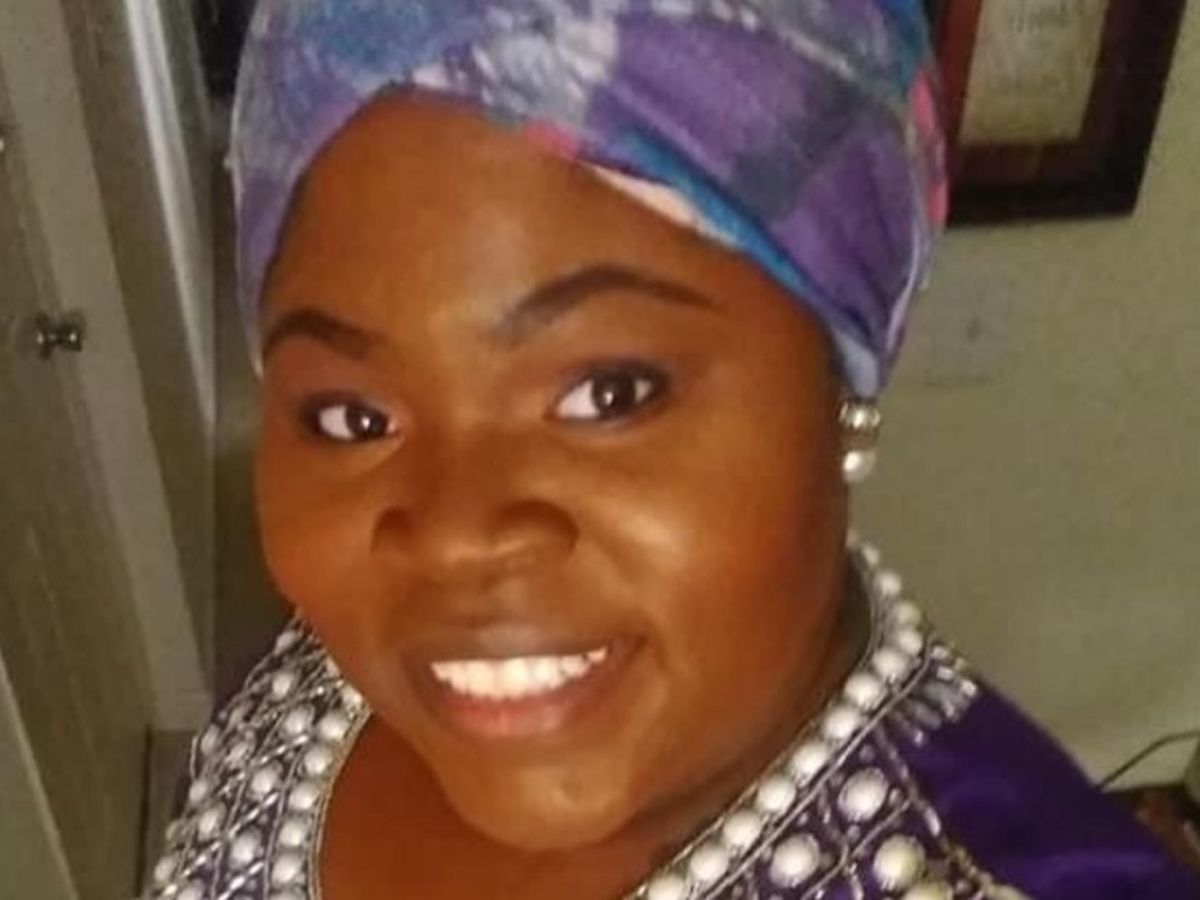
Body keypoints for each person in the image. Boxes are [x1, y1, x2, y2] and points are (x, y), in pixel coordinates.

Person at [148, 2, 1200, 898]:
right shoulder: (316, 704)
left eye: (608, 394)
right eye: (352, 418)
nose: (454, 535)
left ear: (842, 381)